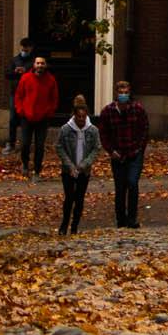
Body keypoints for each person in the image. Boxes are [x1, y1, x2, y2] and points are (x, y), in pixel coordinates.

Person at [98, 80, 150, 229]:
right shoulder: (108, 112)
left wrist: (139, 149)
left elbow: (144, 131)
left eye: (126, 92)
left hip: (134, 153)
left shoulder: (138, 110)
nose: (123, 95)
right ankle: (121, 220)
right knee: (120, 188)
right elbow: (104, 134)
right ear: (116, 93)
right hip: (117, 154)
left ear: (130, 93)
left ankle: (132, 219)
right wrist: (110, 150)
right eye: (121, 92)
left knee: (133, 183)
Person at [55, 92, 100, 235]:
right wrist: (69, 165)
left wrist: (85, 164)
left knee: (79, 198)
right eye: (78, 117)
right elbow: (59, 146)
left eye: (83, 117)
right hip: (69, 169)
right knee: (69, 197)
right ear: (74, 115)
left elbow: (96, 148)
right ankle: (64, 224)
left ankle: (75, 225)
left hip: (83, 169)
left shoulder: (92, 130)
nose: (81, 120)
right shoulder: (66, 129)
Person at [14, 51, 59, 176]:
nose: (40, 65)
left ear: (45, 65)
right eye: (38, 63)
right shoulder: (25, 78)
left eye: (42, 63)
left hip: (43, 118)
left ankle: (37, 169)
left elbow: (54, 98)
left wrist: (49, 111)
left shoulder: (50, 80)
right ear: (34, 65)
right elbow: (19, 96)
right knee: (25, 144)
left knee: (39, 146)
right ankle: (25, 163)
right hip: (26, 116)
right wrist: (20, 110)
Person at [6, 35, 36, 150]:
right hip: (15, 93)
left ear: (31, 48)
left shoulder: (34, 62)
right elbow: (7, 74)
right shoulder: (14, 60)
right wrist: (15, 72)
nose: (24, 51)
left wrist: (27, 71)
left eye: (26, 49)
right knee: (13, 118)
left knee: (27, 118)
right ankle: (11, 142)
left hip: (29, 94)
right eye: (23, 49)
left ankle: (26, 143)